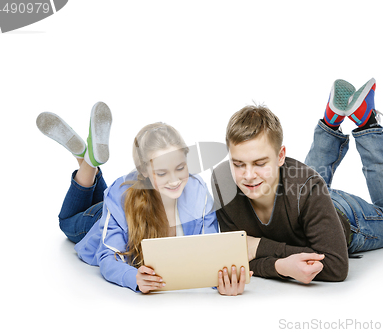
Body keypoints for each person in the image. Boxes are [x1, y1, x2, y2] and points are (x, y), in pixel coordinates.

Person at [36, 102, 250, 295]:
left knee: (107, 194)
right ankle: (87, 163)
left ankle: (88, 159)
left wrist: (221, 279)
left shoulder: (198, 192)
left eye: (180, 168)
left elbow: (209, 249)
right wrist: (133, 278)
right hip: (104, 216)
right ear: (145, 172)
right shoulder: (120, 197)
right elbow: (107, 256)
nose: (175, 180)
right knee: (67, 221)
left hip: (118, 198)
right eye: (163, 173)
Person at [211, 78, 383, 284]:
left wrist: (259, 247)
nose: (249, 175)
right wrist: (279, 265)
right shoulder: (223, 182)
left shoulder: (308, 187)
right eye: (238, 164)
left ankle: (367, 120)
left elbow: (336, 266)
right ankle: (330, 121)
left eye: (260, 163)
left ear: (281, 156)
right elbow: (235, 258)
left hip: (343, 215)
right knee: (305, 187)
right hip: (304, 201)